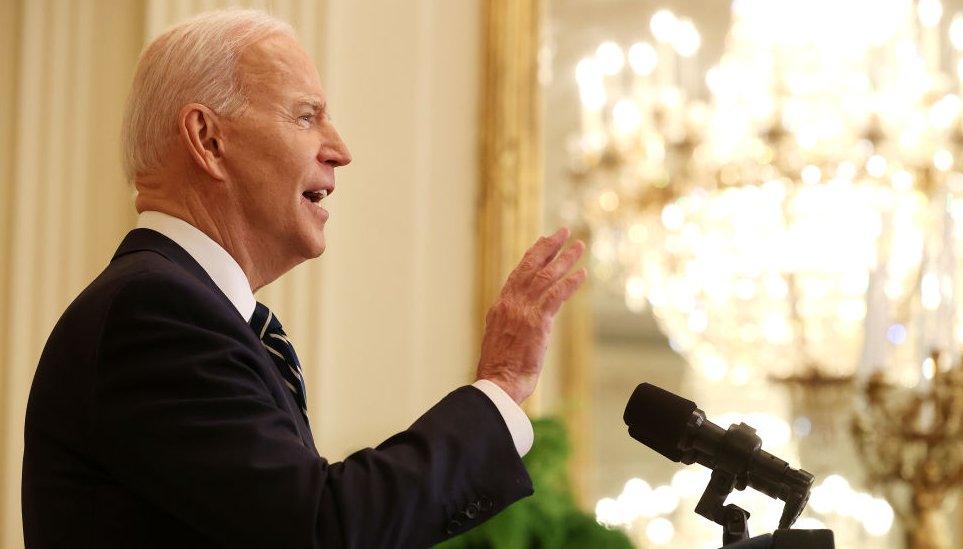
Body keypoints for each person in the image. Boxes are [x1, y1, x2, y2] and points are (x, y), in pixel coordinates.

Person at [20, 9, 587, 548]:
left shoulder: (196, 313)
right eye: (306, 116)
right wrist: (503, 383)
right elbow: (322, 531)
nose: (340, 151)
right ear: (208, 139)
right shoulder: (153, 311)